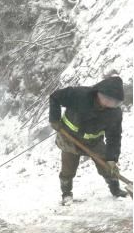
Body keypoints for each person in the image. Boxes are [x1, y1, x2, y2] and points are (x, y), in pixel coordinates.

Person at [49, 76, 128, 205]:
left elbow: (114, 137)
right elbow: (55, 96)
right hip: (69, 138)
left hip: (94, 142)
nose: (110, 104)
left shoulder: (114, 114)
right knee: (68, 168)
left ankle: (115, 189)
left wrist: (112, 159)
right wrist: (54, 118)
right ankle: (66, 194)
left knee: (107, 166)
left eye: (115, 102)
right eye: (108, 99)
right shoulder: (79, 95)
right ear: (99, 93)